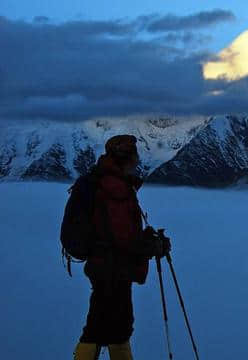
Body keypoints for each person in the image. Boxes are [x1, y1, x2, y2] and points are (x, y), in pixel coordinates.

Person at [73, 135, 170, 360]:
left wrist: (147, 240)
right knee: (103, 328)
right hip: (112, 268)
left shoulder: (105, 182)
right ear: (126, 158)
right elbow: (122, 238)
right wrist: (152, 246)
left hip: (106, 267)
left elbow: (117, 232)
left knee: (112, 326)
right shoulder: (114, 188)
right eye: (135, 153)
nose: (138, 158)